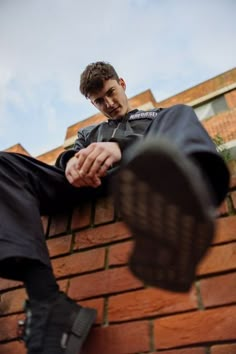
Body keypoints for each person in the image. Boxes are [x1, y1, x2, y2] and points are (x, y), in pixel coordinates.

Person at [0, 61, 229, 354]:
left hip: (140, 170)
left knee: (181, 112)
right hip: (87, 184)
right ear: (91, 102)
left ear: (121, 83)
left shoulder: (157, 115)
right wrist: (70, 165)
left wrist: (122, 149)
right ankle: (46, 301)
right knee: (3, 164)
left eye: (110, 93)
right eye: (98, 101)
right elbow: (68, 156)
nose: (108, 103)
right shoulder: (88, 133)